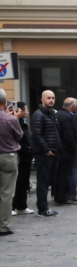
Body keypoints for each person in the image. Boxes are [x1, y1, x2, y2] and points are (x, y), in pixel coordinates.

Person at [31, 90, 61, 217]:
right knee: (43, 182)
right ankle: (43, 209)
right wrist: (46, 150)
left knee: (47, 181)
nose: (51, 100)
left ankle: (44, 207)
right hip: (44, 154)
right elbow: (37, 134)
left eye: (53, 98)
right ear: (42, 99)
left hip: (52, 153)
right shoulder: (39, 115)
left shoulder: (51, 114)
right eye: (49, 98)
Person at [0, 90, 23, 235]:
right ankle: (3, 226)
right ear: (5, 101)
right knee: (6, 193)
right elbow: (19, 135)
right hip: (8, 156)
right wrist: (16, 118)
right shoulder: (10, 119)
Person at [54, 98, 77, 205]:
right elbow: (68, 135)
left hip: (59, 150)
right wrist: (74, 148)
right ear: (73, 106)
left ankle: (58, 196)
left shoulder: (58, 114)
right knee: (65, 174)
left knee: (59, 174)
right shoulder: (67, 116)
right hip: (66, 150)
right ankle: (63, 197)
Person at [11, 102, 33, 216]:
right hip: (20, 157)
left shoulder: (23, 123)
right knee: (17, 182)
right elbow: (17, 139)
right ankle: (12, 206)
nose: (28, 112)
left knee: (24, 182)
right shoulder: (15, 122)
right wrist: (27, 148)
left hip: (26, 158)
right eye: (26, 110)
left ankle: (22, 206)